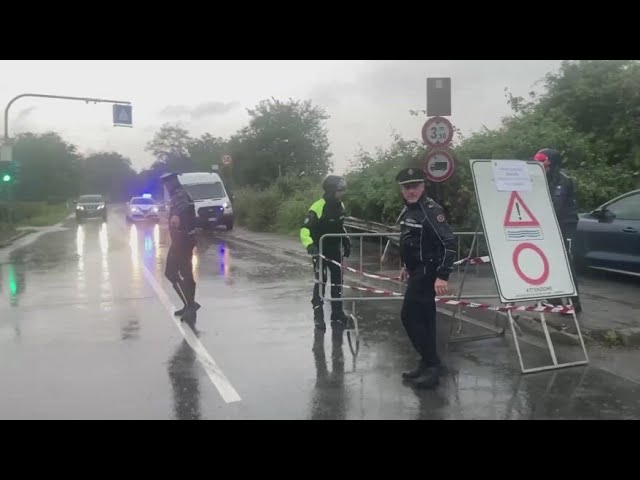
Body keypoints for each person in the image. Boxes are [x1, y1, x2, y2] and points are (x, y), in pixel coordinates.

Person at [396, 167, 456, 389]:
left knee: (409, 317)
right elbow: (409, 241)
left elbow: (449, 243)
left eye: (415, 186)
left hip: (428, 272)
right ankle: (428, 363)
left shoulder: (431, 210)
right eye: (407, 187)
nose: (411, 191)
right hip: (416, 271)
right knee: (425, 319)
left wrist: (443, 276)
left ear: (423, 187)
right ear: (401, 189)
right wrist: (405, 265)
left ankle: (432, 363)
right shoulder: (409, 209)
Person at [533, 148, 582, 313]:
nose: (541, 168)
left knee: (566, 262)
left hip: (565, 224)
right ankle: (554, 300)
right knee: (550, 260)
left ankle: (573, 303)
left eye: (544, 164)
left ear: (552, 164)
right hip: (549, 225)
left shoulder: (563, 180)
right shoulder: (541, 179)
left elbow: (556, 206)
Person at [300, 175, 351, 331]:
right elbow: (304, 229)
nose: (342, 193)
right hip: (319, 251)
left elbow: (340, 226)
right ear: (330, 191)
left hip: (335, 250)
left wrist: (346, 241)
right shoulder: (317, 206)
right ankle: (318, 316)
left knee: (337, 282)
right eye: (339, 190)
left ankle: (337, 314)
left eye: (343, 190)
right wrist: (310, 245)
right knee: (321, 282)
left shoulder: (340, 205)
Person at [160, 172, 200, 318]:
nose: (167, 186)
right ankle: (189, 304)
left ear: (174, 182)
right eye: (165, 184)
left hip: (185, 239)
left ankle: (191, 306)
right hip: (178, 240)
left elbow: (182, 206)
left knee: (186, 272)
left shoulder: (181, 194)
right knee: (170, 272)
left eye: (168, 183)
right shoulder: (175, 195)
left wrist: (176, 214)